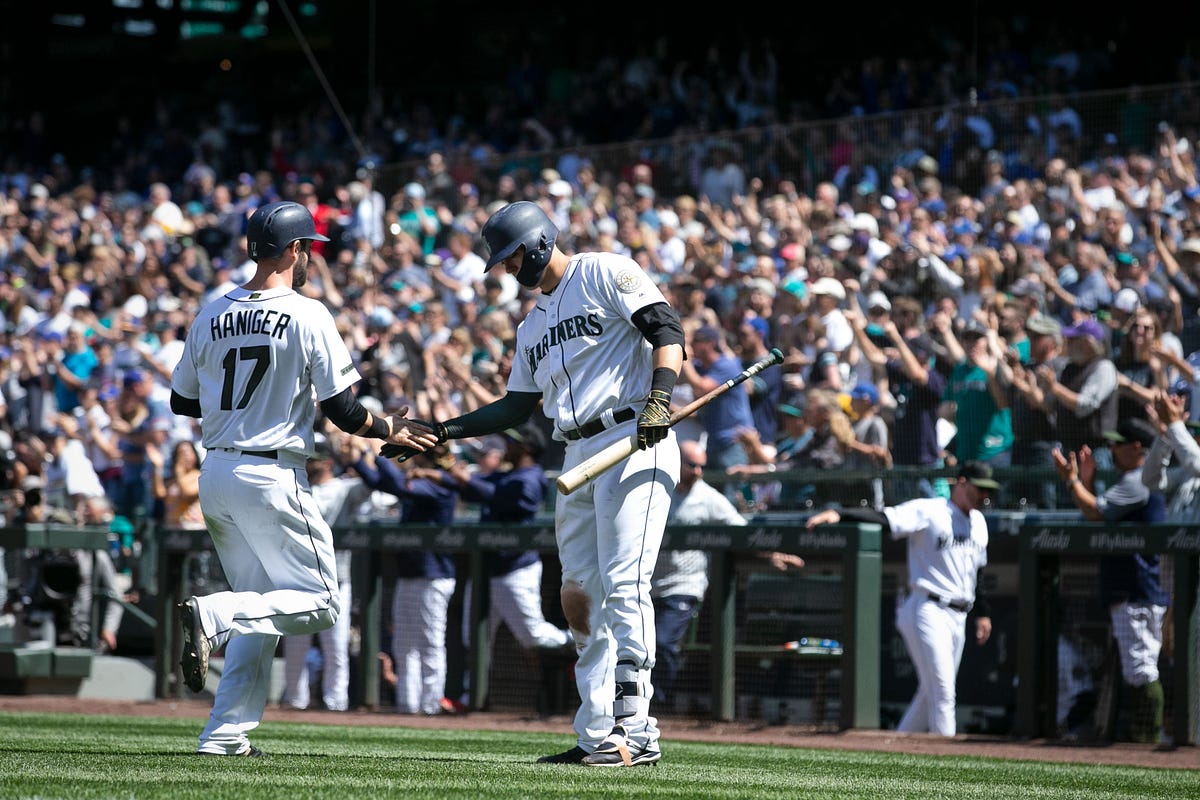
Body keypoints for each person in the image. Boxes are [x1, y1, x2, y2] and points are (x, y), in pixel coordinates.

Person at [382, 200, 685, 767]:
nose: (507, 267)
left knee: (624, 583)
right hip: (577, 451)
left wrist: (662, 398)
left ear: (540, 241)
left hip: (634, 435)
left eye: (511, 255)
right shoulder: (532, 325)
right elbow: (515, 408)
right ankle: (598, 733)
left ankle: (639, 729)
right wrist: (440, 431)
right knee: (579, 599)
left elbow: (667, 328)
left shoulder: (603, 270)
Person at [168, 200, 439, 756]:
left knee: (259, 603)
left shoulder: (210, 311)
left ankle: (224, 736)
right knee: (319, 603)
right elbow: (342, 410)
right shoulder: (306, 312)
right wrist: (388, 426)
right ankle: (213, 613)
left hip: (216, 469)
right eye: (308, 246)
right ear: (295, 249)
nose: (310, 255)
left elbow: (180, 400)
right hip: (271, 472)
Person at [805, 460, 997, 737]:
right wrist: (839, 513)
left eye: (988, 491)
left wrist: (984, 612)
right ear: (962, 483)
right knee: (943, 692)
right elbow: (885, 518)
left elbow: (977, 573)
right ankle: (950, 765)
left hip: (960, 613)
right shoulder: (931, 510)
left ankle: (893, 750)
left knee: (929, 693)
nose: (985, 496)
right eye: (980, 489)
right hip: (927, 607)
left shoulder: (979, 522)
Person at [651, 438, 805, 710]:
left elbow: (742, 534)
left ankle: (659, 705)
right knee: (637, 646)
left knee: (662, 643)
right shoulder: (656, 489)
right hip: (647, 583)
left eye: (701, 466)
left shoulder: (709, 498)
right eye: (692, 465)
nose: (698, 471)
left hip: (684, 585)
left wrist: (773, 557)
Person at [1052, 415, 1168, 743]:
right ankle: (1145, 735)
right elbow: (1098, 517)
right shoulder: (1138, 479)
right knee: (1137, 668)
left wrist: (1073, 481)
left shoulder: (1139, 479)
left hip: (1137, 587)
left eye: (1117, 444)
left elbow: (1096, 513)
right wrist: (1085, 481)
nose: (1112, 450)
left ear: (1136, 448)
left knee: (1141, 668)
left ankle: (1150, 738)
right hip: (1136, 586)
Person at [279, 432, 372, 713]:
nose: (309, 462)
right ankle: (295, 701)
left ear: (327, 461)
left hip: (336, 576)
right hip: (298, 576)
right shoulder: (295, 486)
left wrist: (361, 450)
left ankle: (336, 703)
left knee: (336, 647)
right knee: (295, 647)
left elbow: (371, 485)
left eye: (314, 457)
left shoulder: (344, 488)